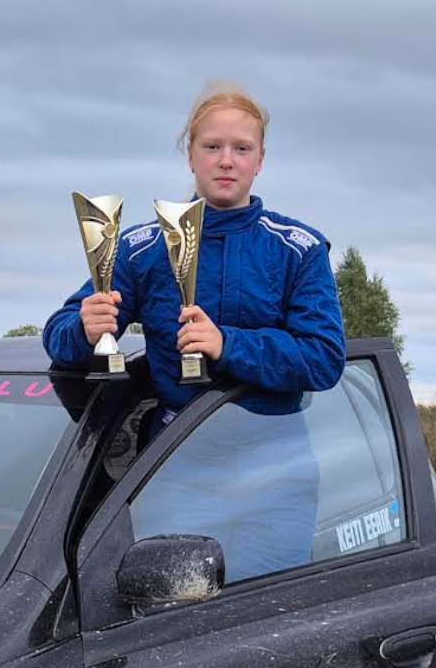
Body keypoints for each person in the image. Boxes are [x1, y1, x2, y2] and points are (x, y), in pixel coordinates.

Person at [45, 85, 347, 578]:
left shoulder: (299, 248)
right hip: (176, 468)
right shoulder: (141, 249)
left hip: (277, 470)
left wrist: (229, 344)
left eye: (241, 148)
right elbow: (58, 334)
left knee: (268, 617)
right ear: (191, 156)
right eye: (212, 147)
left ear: (260, 160)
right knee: (169, 616)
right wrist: (84, 328)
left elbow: (324, 358)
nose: (226, 160)